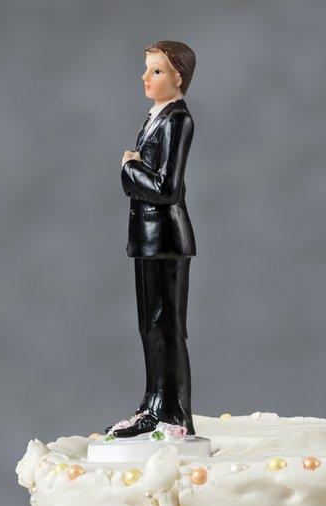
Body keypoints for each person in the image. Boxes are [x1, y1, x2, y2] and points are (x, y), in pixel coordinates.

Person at [109, 41, 197, 437]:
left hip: (165, 240)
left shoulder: (178, 120)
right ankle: (153, 403)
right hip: (148, 239)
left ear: (178, 77)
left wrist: (129, 168)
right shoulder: (154, 117)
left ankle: (174, 414)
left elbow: (166, 189)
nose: (146, 77)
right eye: (146, 69)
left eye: (157, 71)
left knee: (167, 325)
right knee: (150, 325)